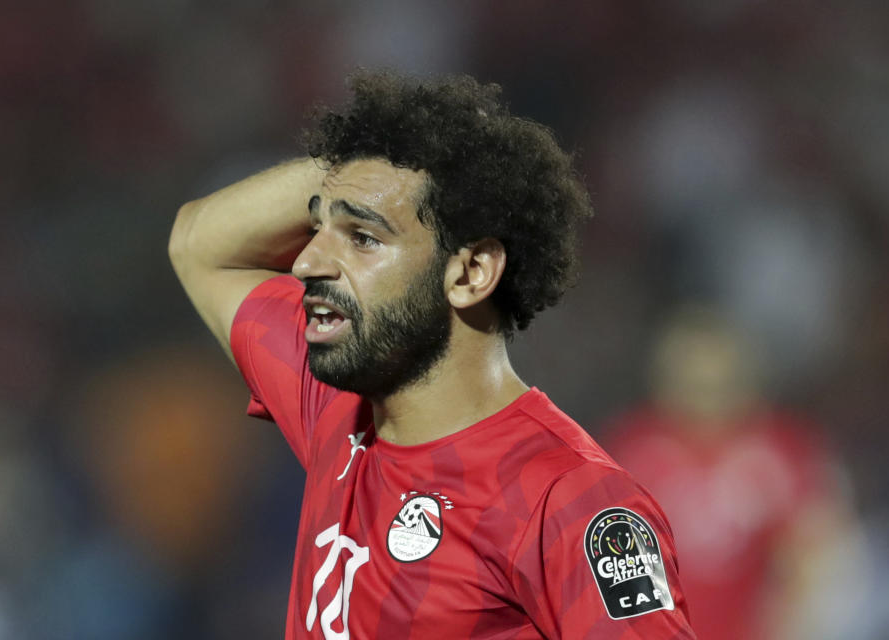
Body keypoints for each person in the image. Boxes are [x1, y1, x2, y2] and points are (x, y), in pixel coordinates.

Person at [169, 70, 695, 639]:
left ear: (470, 272)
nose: (305, 262)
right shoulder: (335, 405)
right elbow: (199, 243)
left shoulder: (568, 500)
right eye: (318, 226)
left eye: (362, 238)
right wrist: (364, 165)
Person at [601, 306, 863, 640]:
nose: (706, 401)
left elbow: (821, 557)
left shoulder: (781, 451)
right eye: (693, 384)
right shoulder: (629, 451)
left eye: (718, 384)